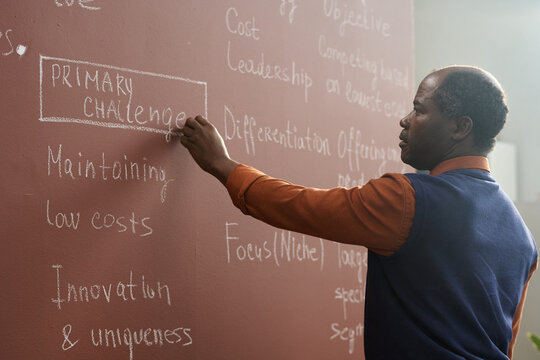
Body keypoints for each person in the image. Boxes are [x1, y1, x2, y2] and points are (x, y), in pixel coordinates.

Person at [178, 66, 538, 359]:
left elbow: (303, 206)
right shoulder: (523, 236)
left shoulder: (406, 199)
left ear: (460, 127)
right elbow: (505, 341)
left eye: (420, 109)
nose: (405, 119)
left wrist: (222, 165)